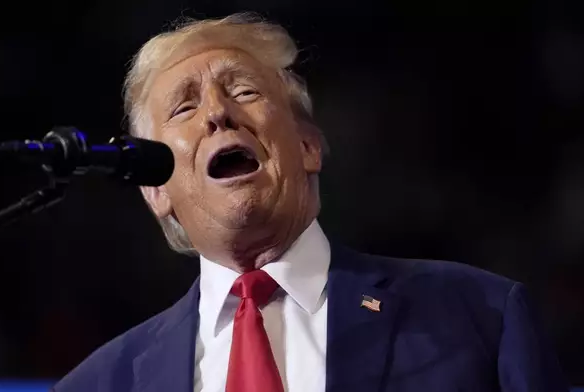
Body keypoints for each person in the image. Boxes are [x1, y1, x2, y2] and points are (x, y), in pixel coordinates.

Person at [53, 13, 568, 392]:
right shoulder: (98, 383)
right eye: (185, 106)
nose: (217, 113)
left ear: (307, 147)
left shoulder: (482, 318)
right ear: (157, 190)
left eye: (245, 91)